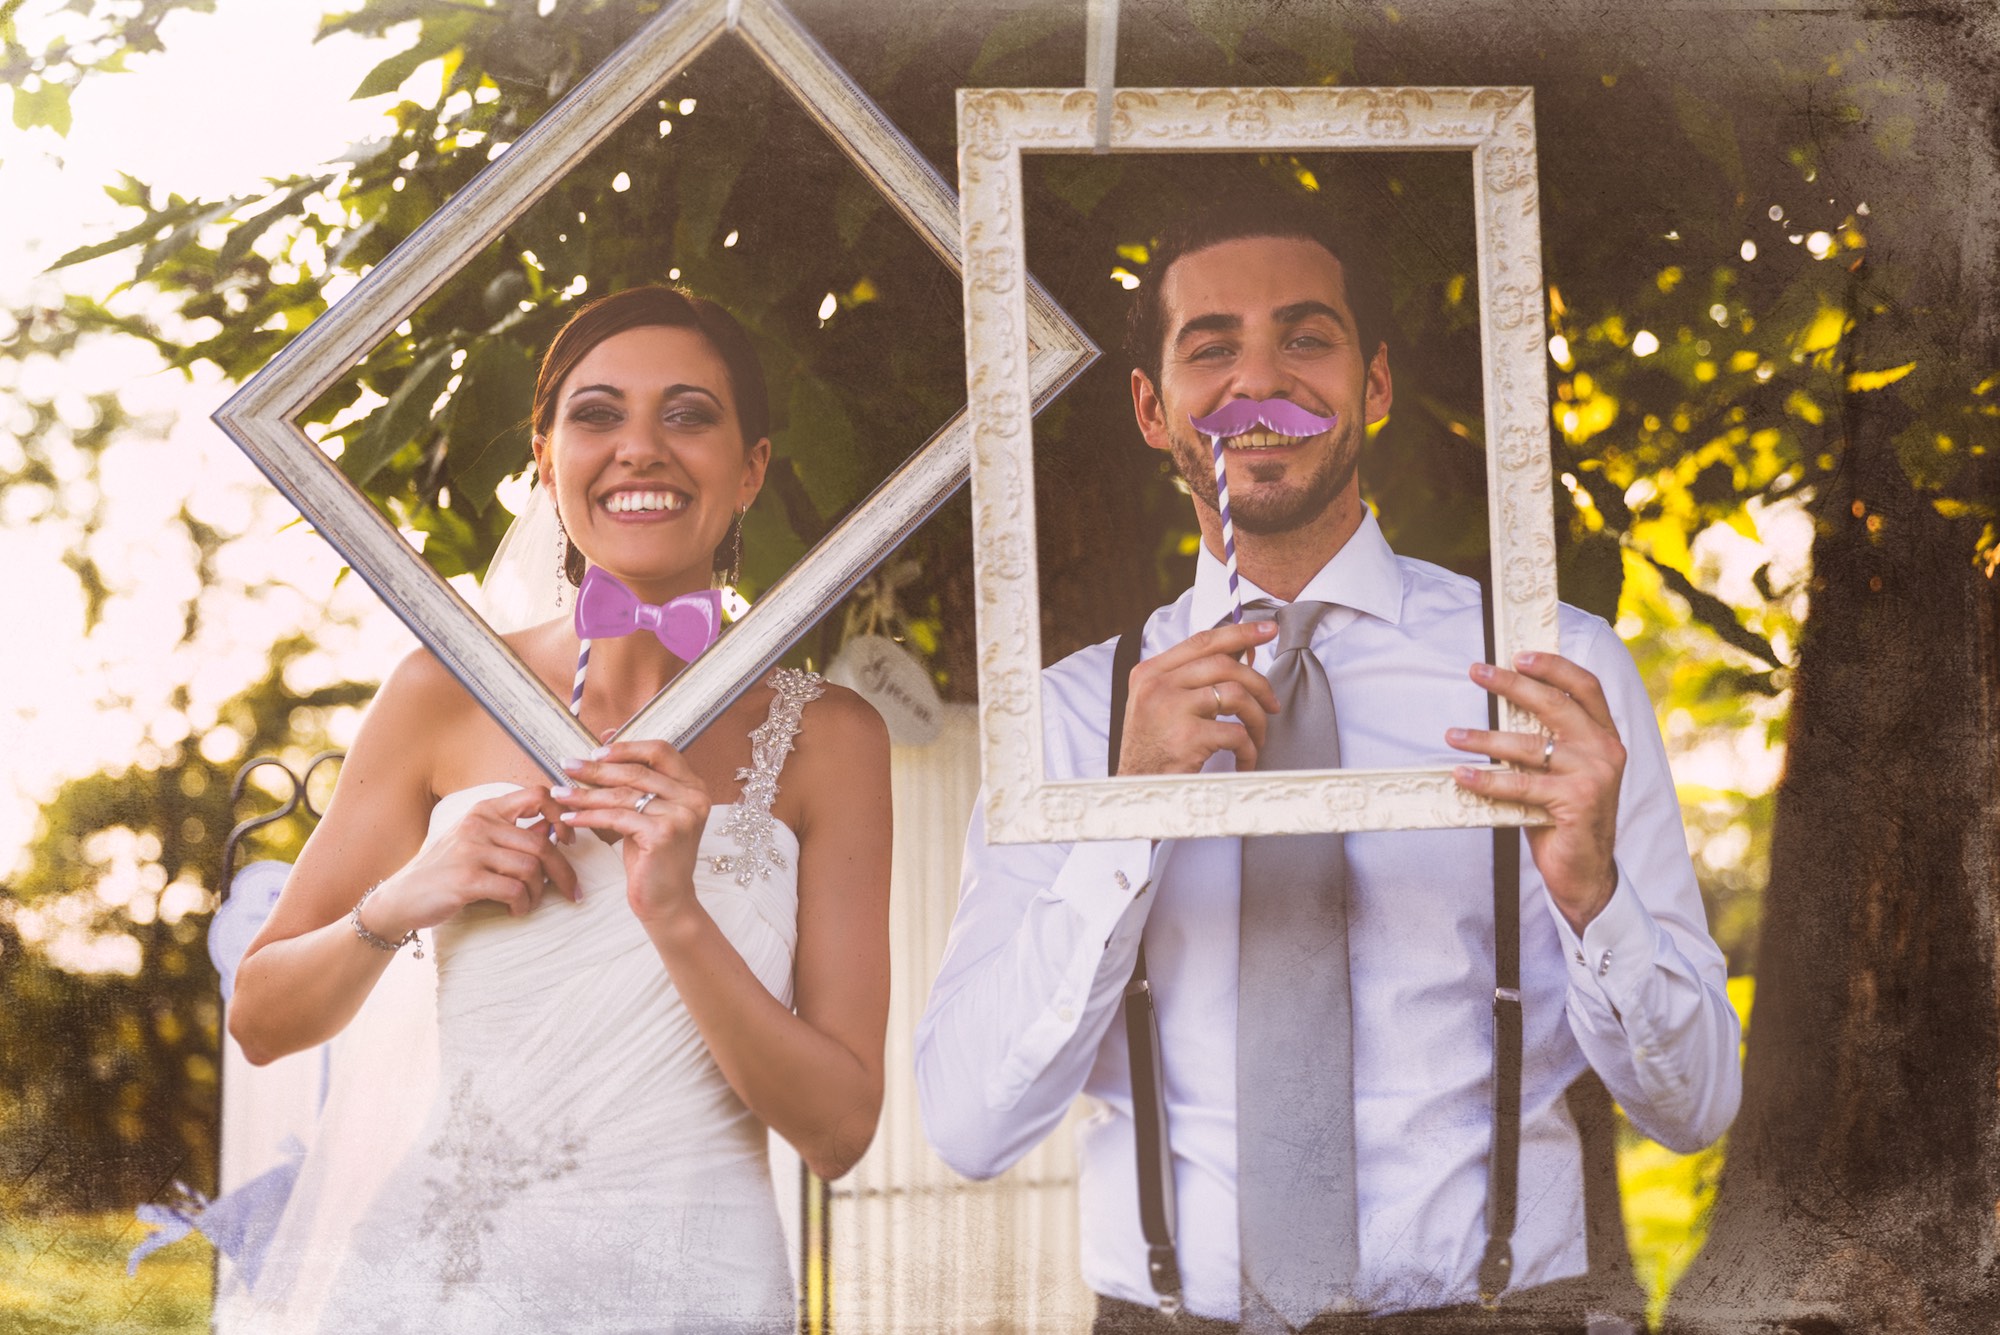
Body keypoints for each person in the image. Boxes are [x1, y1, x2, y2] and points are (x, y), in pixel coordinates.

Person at [914, 202, 1741, 1332]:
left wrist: (1593, 893)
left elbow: (1695, 1105)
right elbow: (968, 1124)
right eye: (1212, 347)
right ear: (1152, 409)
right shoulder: (1066, 717)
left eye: (1305, 338)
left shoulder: (1554, 676)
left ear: (1374, 385)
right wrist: (1125, 820)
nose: (1261, 381)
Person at [225, 284, 893, 1333]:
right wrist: (402, 899)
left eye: (688, 414)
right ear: (545, 458)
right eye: (597, 414)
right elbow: (261, 1020)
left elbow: (840, 1133)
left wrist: (677, 914)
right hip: (444, 1293)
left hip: (700, 1291)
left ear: (751, 467)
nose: (641, 448)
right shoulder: (439, 691)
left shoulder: (831, 738)